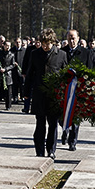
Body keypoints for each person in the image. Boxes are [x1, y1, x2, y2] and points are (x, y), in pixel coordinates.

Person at [24, 28, 67, 159]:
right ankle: (39, 151)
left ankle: (51, 150)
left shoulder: (61, 55)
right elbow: (30, 74)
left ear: (53, 42)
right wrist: (26, 93)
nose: (44, 46)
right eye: (42, 44)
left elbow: (66, 76)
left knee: (53, 124)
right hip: (39, 95)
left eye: (47, 44)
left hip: (55, 96)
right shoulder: (35, 54)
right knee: (40, 124)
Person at [60, 29, 92, 151]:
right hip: (64, 89)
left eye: (73, 38)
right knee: (62, 116)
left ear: (78, 38)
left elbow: (90, 70)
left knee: (76, 117)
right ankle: (65, 130)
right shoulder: (62, 52)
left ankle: (73, 141)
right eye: (69, 38)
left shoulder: (86, 53)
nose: (71, 40)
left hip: (79, 89)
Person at [0, 41, 16, 110]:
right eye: (6, 45)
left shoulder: (12, 54)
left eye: (9, 46)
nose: (7, 47)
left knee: (8, 91)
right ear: (3, 45)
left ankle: (8, 105)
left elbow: (13, 65)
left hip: (7, 74)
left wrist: (5, 69)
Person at [21, 39, 41, 114]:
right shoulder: (30, 49)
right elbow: (25, 60)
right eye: (36, 42)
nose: (37, 44)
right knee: (27, 90)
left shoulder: (42, 50)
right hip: (30, 72)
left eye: (39, 42)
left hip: (38, 74)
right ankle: (26, 107)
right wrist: (24, 72)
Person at [11, 37, 26, 104]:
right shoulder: (12, 50)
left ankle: (23, 97)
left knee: (22, 85)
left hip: (22, 70)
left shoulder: (24, 51)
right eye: (16, 42)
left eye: (19, 42)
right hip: (13, 71)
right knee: (14, 85)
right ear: (14, 43)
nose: (18, 43)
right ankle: (15, 97)